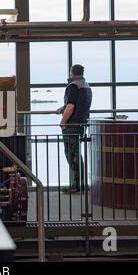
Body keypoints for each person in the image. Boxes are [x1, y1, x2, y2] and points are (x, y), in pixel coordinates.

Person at [56, 64, 93, 194]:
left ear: (72, 73)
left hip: (71, 126)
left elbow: (71, 106)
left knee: (72, 155)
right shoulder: (86, 86)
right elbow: (76, 103)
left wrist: (63, 122)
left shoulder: (73, 86)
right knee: (76, 154)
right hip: (81, 123)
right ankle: (80, 183)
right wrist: (63, 107)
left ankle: (77, 185)